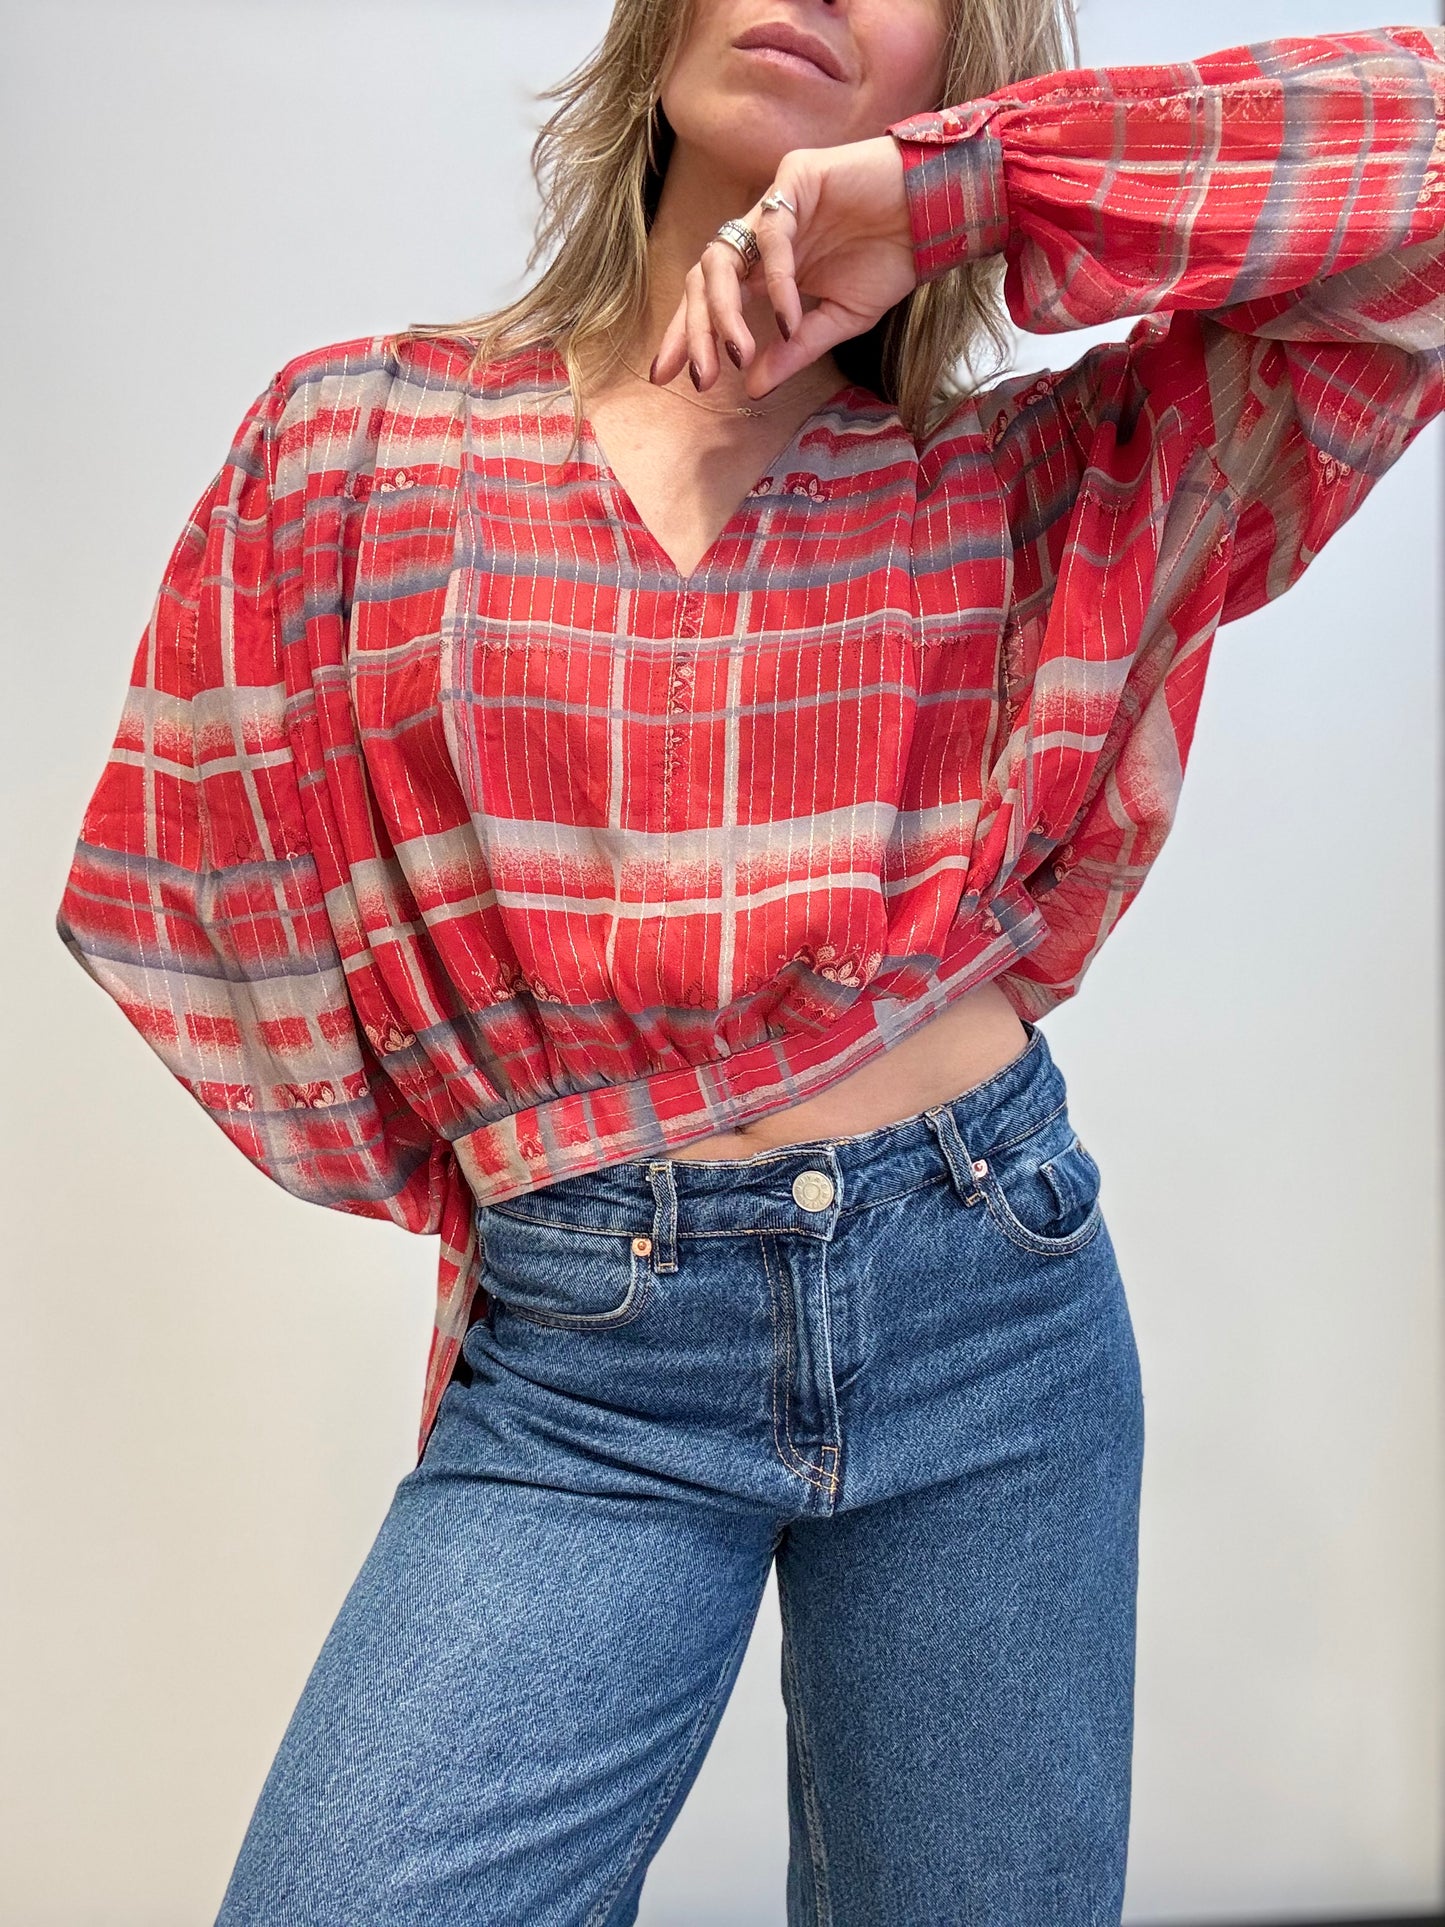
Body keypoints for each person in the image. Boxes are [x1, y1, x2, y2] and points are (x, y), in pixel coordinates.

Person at [55, 0, 1445, 1920]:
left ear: (952, 72)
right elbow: (208, 895)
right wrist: (547, 1164)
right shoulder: (355, 445)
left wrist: (960, 198)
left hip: (992, 1310)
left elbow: (1419, 179)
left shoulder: (1044, 480)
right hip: (588, 1369)